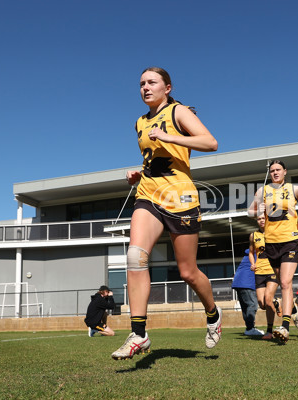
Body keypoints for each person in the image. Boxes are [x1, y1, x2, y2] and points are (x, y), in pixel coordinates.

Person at [112, 67, 221, 360]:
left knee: (188, 272)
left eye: (152, 82)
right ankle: (139, 333)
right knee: (136, 256)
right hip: (148, 193)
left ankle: (213, 313)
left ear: (167, 87)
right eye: (141, 84)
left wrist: (170, 137)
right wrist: (139, 172)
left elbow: (210, 143)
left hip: (180, 196)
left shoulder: (179, 112)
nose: (145, 87)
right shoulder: (139, 122)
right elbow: (153, 155)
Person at [248, 160, 298, 343]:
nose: (275, 173)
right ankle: (292, 310)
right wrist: (257, 211)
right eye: (272, 171)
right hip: (271, 242)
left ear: (285, 171)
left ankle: (284, 326)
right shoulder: (262, 191)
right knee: (284, 283)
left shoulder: (295, 189)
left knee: (285, 282)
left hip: (291, 240)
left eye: (278, 170)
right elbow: (249, 211)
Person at [249, 215, 281, 340]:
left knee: (268, 300)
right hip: (259, 271)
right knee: (262, 304)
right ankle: (277, 302)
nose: (261, 220)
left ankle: (269, 332)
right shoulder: (253, 235)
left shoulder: (275, 232)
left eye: (263, 218)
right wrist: (253, 263)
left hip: (272, 269)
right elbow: (252, 253)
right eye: (259, 219)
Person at [232, 249, 264, 336]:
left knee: (246, 307)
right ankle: (250, 328)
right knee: (252, 304)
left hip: (238, 282)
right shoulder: (258, 254)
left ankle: (249, 328)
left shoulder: (249, 254)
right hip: (247, 282)